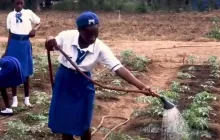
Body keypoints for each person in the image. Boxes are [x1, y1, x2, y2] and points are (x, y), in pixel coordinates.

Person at [45, 11, 156, 140]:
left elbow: (118, 68)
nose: (93, 38)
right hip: (65, 80)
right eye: (89, 34)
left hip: (83, 82)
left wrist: (141, 87)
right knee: (65, 121)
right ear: (79, 30)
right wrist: (49, 40)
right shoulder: (67, 36)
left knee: (84, 122)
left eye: (95, 33)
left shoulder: (100, 47)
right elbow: (51, 42)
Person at [2, 0, 41, 108]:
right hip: (14, 44)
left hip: (25, 44)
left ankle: (26, 99)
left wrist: (34, 30)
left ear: (24, 4)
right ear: (13, 4)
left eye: (21, 3)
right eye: (17, 3)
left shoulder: (28, 12)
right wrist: (6, 51)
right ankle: (15, 99)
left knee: (26, 71)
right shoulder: (10, 15)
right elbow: (10, 33)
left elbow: (39, 22)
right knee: (13, 70)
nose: (19, 5)